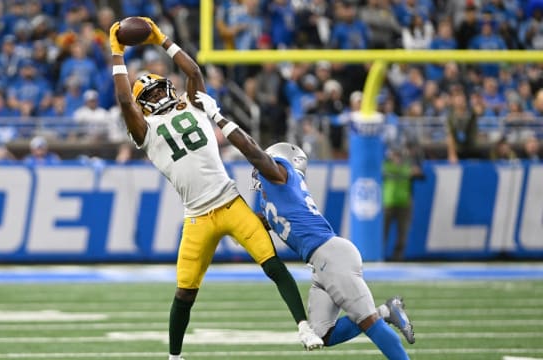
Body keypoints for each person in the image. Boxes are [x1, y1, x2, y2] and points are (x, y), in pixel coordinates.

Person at [108, 18, 323, 360]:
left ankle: (304, 327)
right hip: (197, 217)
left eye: (157, 87)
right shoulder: (144, 132)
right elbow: (123, 99)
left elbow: (192, 70)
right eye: (147, 93)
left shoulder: (193, 103)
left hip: (229, 199)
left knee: (274, 266)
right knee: (184, 294)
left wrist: (163, 39)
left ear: (168, 85)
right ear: (142, 105)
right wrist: (118, 50)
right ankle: (174, 357)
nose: (156, 94)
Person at [194, 90, 415, 359]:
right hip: (321, 264)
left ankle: (387, 325)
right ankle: (386, 310)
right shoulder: (272, 199)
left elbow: (250, 150)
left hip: (331, 257)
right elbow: (253, 224)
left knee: (370, 324)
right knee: (323, 334)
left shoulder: (280, 174)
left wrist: (217, 116)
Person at [382, 146, 424, 261]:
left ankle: (398, 258)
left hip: (404, 202)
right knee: (382, 233)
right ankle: (379, 257)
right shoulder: (385, 165)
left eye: (398, 154)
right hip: (388, 202)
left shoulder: (408, 165)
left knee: (402, 234)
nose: (396, 157)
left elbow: (421, 175)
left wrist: (416, 171)